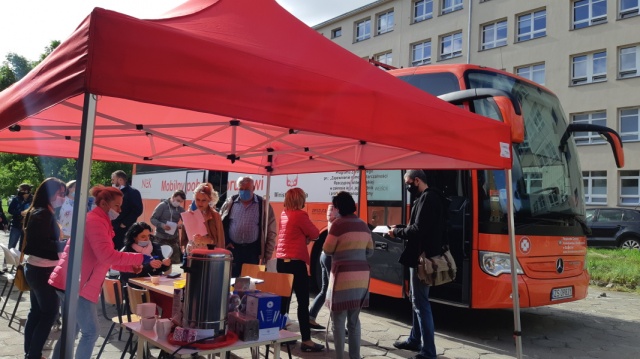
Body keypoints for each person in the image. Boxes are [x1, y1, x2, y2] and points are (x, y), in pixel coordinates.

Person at [49, 185, 149, 359]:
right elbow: (106, 256)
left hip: (72, 281)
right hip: (78, 284)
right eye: (117, 206)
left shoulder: (99, 220)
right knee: (90, 333)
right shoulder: (95, 221)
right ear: (104, 204)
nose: (120, 210)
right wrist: (139, 258)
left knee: (72, 331)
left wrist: (128, 266)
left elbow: (102, 260)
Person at [388, 170, 447, 359]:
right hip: (424, 256)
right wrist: (400, 228)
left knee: (421, 303)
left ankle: (428, 351)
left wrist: (397, 233)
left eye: (408, 182)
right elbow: (420, 226)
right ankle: (415, 340)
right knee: (416, 299)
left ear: (417, 180)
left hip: (422, 259)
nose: (407, 187)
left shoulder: (428, 199)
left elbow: (418, 229)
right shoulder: (431, 197)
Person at [323, 191, 373, 359]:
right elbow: (370, 251)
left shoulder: (338, 225)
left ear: (339, 207)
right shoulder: (363, 224)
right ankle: (355, 356)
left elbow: (327, 249)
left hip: (342, 278)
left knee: (338, 321)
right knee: (354, 320)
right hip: (361, 279)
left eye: (335, 207)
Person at [22, 178, 66, 359]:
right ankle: (33, 354)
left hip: (37, 269)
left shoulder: (41, 211)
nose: (63, 198)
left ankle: (31, 353)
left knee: (37, 312)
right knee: (49, 313)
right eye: (61, 194)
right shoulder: (42, 213)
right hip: (42, 270)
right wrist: (62, 245)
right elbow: (36, 244)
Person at [275, 188, 323, 352]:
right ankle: (307, 340)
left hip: (281, 261)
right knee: (303, 302)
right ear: (300, 200)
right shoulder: (300, 215)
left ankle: (280, 336)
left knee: (284, 301)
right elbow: (315, 233)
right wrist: (306, 237)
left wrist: (303, 237)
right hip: (296, 262)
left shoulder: (284, 213)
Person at [220, 176, 277, 278]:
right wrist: (225, 243)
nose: (243, 192)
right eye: (241, 189)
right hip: (233, 250)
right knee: (230, 281)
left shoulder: (263, 205)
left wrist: (267, 254)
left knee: (249, 283)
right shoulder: (230, 203)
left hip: (252, 251)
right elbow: (220, 224)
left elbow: (271, 231)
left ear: (253, 188)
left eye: (247, 189)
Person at [308, 204, 340, 331]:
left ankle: (310, 317)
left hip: (324, 255)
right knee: (333, 292)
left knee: (325, 289)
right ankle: (336, 326)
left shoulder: (332, 212)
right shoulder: (339, 216)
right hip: (331, 256)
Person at [180, 183, 225, 256]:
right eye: (197, 199)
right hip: (191, 254)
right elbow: (185, 237)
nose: (200, 203)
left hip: (207, 256)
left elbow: (219, 240)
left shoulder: (214, 215)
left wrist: (205, 240)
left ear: (209, 200)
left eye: (203, 200)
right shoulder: (190, 213)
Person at [150, 190, 186, 264]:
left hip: (173, 239)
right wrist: (162, 225)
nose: (178, 203)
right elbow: (152, 219)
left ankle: (171, 275)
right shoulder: (162, 206)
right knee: (160, 260)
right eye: (178, 200)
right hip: (160, 238)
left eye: (181, 202)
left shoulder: (180, 209)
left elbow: (187, 222)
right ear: (173, 197)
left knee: (175, 261)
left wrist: (181, 225)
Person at [110, 170, 143, 250]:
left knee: (123, 250)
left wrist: (125, 223)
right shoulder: (113, 192)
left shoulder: (132, 192)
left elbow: (138, 209)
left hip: (124, 228)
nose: (112, 182)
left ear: (120, 180)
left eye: (113, 180)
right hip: (113, 226)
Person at [8, 183, 32, 250]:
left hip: (27, 227)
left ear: (26, 191)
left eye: (20, 190)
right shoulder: (16, 199)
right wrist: (20, 213)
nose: (19, 191)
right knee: (11, 246)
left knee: (23, 248)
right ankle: (8, 260)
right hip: (16, 225)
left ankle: (19, 260)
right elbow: (10, 210)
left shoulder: (33, 200)